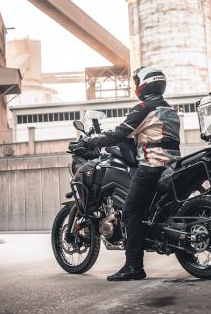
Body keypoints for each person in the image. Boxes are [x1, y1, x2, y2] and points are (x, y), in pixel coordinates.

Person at [76, 66, 181, 281]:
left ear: (143, 85)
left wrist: (90, 141)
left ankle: (133, 266)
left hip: (151, 165)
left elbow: (119, 133)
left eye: (136, 83)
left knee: (131, 211)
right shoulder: (168, 109)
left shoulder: (144, 107)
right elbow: (144, 135)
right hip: (171, 164)